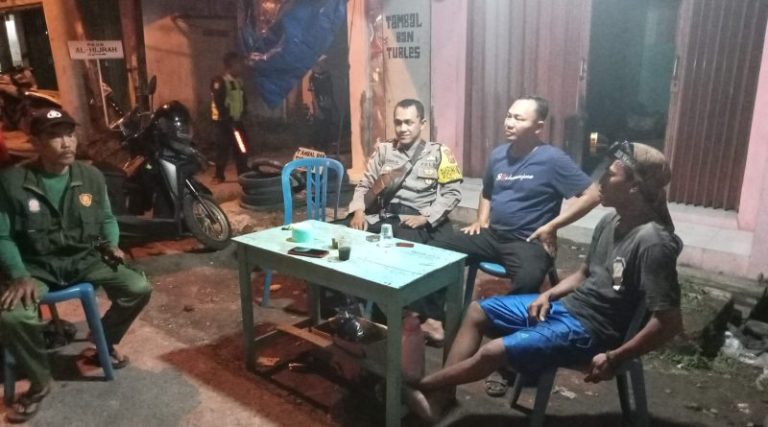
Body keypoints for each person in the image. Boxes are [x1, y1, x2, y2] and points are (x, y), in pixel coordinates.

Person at [407, 142, 684, 422]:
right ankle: (441, 398)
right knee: (477, 310)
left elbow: (669, 322)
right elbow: (584, 274)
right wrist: (548, 295)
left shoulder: (653, 242)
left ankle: (418, 386)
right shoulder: (611, 221)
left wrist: (616, 357)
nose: (600, 180)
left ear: (634, 187)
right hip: (569, 309)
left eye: (610, 174)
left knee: (492, 351)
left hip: (593, 330)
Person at [0, 108, 152, 423]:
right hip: (37, 267)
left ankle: (103, 342)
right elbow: (3, 236)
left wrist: (111, 244)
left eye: (69, 134)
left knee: (137, 287)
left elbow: (106, 218)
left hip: (84, 258)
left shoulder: (91, 177)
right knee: (13, 315)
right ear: (35, 142)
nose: (66, 142)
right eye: (54, 136)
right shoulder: (12, 182)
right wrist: (19, 274)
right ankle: (40, 381)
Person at [433, 96, 600, 295]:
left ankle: (498, 314)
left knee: (528, 279)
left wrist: (552, 226)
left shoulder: (553, 159)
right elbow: (487, 191)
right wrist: (481, 220)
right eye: (509, 116)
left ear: (538, 127)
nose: (509, 123)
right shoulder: (498, 155)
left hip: (528, 243)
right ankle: (436, 309)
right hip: (492, 236)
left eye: (519, 119)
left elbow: (592, 195)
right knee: (435, 251)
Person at [347, 98, 462, 344]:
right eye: (398, 122)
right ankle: (350, 306)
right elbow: (365, 185)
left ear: (422, 123)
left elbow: (452, 193)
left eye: (409, 122)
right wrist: (358, 211)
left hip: (415, 217)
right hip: (384, 215)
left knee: (412, 249)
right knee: (343, 237)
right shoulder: (384, 151)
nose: (403, 128)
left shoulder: (439, 153)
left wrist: (426, 217)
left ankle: (418, 314)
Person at [210, 51, 249, 184]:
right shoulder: (220, 81)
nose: (241, 67)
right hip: (223, 123)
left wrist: (243, 113)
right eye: (238, 64)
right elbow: (219, 102)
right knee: (222, 149)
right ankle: (218, 176)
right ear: (230, 65)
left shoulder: (238, 81)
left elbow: (243, 99)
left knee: (242, 147)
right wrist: (226, 118)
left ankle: (243, 174)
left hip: (236, 121)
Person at [309, 55, 338, 152]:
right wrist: (317, 109)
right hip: (319, 105)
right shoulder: (313, 77)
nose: (324, 63)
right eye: (323, 61)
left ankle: (326, 148)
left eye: (325, 62)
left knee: (327, 126)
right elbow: (313, 94)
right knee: (319, 126)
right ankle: (318, 148)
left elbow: (330, 91)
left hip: (328, 105)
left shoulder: (327, 75)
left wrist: (333, 105)